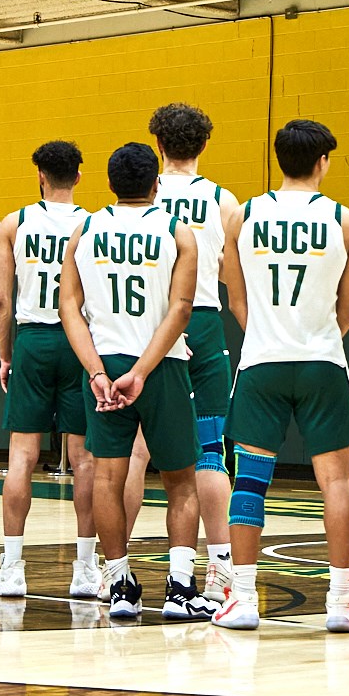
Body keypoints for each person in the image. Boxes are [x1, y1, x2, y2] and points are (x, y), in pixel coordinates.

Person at [211, 120, 349, 634]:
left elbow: (234, 296)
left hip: (261, 361)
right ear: (323, 162)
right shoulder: (347, 221)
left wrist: (267, 335)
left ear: (279, 159)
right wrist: (318, 335)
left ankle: (246, 598)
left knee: (250, 483)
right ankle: (341, 601)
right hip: (323, 360)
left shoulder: (242, 215)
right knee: (337, 482)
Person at [58, 142, 210, 621]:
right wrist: (142, 371)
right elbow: (182, 309)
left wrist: (98, 373)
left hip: (103, 365)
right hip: (159, 365)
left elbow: (69, 307)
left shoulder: (85, 229)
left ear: (109, 184)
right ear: (156, 184)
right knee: (181, 480)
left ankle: (120, 584)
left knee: (107, 477)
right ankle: (181, 589)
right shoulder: (177, 231)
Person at [0, 141, 99, 600]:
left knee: (21, 458)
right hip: (80, 339)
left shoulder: (16, 222)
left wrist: (7, 355)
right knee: (86, 460)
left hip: (33, 338)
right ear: (79, 176)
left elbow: (0, 301)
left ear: (40, 176)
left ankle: (12, 569)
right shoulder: (93, 224)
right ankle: (86, 571)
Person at [148, 103, 242, 601]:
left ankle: (110, 567)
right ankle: (220, 566)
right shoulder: (223, 202)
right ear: (204, 145)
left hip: (147, 327)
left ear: (157, 146)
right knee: (210, 451)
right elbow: (232, 274)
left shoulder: (141, 194)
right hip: (202, 320)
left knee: (133, 450)